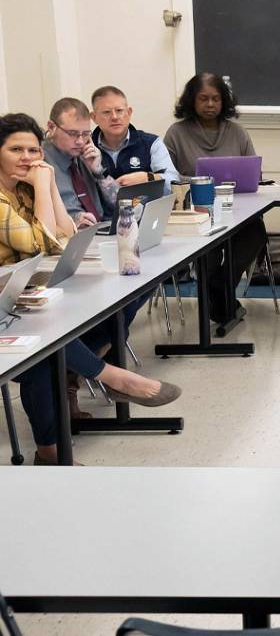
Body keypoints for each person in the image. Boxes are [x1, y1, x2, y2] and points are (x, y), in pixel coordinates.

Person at [0, 113, 180, 465]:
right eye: (16, 149)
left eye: (34, 150)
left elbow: (62, 238)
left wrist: (47, 184)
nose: (28, 158)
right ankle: (107, 377)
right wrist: (43, 187)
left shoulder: (22, 188)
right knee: (45, 350)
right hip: (7, 309)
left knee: (109, 305)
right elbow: (42, 243)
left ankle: (56, 436)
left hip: (18, 297)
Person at [164, 73, 269, 331]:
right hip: (195, 214)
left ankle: (219, 288)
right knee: (207, 248)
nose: (210, 104)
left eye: (216, 99)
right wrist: (200, 181)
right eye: (203, 98)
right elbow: (167, 176)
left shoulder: (237, 131)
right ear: (192, 100)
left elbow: (254, 173)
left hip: (239, 212)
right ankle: (224, 302)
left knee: (256, 234)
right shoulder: (176, 133)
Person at [90, 86, 180, 192]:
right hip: (101, 209)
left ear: (129, 113)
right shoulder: (86, 148)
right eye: (106, 112)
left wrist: (148, 178)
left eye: (119, 110)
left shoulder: (151, 143)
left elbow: (175, 183)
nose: (114, 117)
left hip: (147, 207)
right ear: (94, 117)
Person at [42, 98, 110, 227]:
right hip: (66, 236)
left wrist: (98, 172)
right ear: (51, 127)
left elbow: (115, 205)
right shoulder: (39, 159)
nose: (80, 141)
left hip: (100, 230)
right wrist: (71, 222)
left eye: (85, 134)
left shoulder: (86, 155)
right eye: (72, 134)